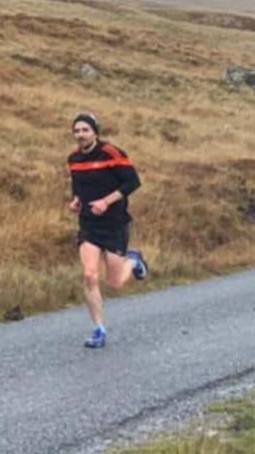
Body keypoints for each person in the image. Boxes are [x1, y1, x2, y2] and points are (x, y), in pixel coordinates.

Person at [67, 112, 148, 348]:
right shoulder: (73, 158)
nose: (80, 135)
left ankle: (133, 260)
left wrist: (106, 201)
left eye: (85, 130)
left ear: (95, 132)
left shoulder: (112, 153)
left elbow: (133, 182)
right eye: (77, 131)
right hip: (89, 224)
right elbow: (78, 187)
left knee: (114, 283)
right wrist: (76, 201)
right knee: (90, 274)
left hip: (115, 222)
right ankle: (98, 330)